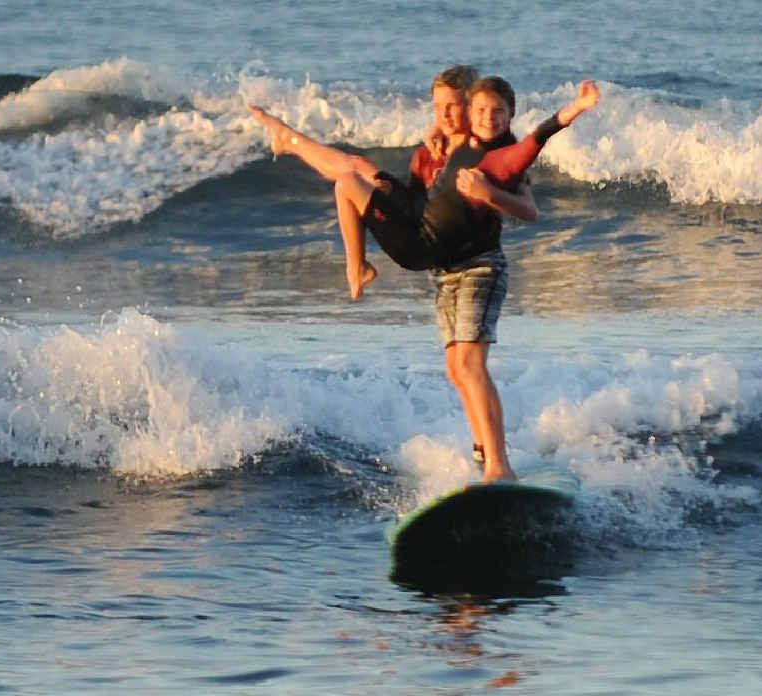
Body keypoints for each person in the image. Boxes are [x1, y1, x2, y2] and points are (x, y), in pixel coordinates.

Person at [250, 74, 600, 481]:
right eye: (438, 109)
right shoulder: (443, 145)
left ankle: (499, 468)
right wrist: (439, 133)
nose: (445, 116)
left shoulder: (497, 151)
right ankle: (288, 139)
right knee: (457, 369)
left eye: (453, 107)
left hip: (475, 264)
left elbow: (531, 198)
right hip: (437, 259)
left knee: (470, 366)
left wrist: (491, 192)